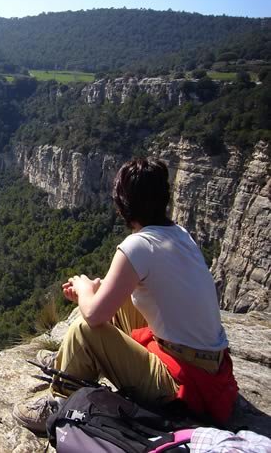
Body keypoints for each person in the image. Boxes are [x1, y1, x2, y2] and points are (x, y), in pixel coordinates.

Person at [13, 157, 238, 434]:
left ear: (122, 205)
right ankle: (72, 359)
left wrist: (85, 289)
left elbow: (94, 316)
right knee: (121, 302)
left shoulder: (137, 245)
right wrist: (98, 290)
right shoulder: (179, 234)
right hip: (210, 368)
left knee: (85, 329)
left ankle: (61, 402)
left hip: (182, 384)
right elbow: (120, 291)